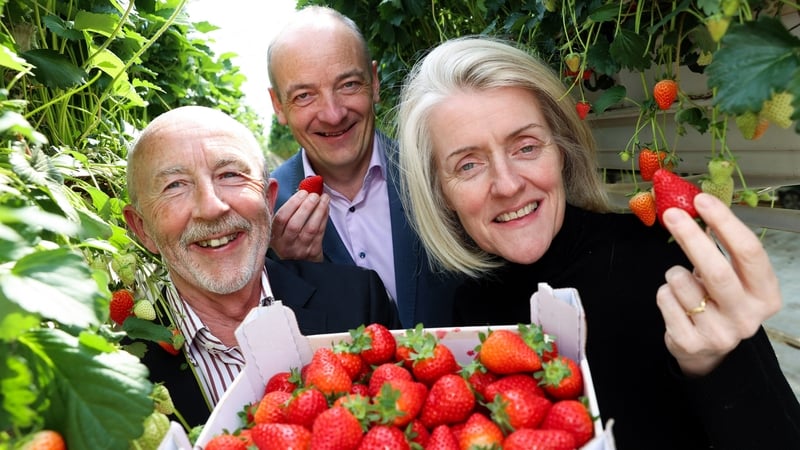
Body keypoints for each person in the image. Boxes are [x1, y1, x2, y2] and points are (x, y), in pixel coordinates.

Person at [396, 36, 800, 449]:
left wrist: (713, 365)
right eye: (468, 164)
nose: (508, 183)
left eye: (527, 146)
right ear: (440, 191)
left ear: (562, 151)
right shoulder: (470, 306)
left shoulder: (665, 260)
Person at [122, 105, 400, 427]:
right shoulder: (121, 374)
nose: (211, 207)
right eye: (175, 185)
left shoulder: (358, 300)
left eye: (230, 175)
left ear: (269, 202)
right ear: (142, 229)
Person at [266, 6, 461, 328]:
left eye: (348, 85)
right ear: (278, 105)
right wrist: (298, 273)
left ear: (374, 81)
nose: (332, 114)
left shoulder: (438, 172)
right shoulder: (266, 217)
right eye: (304, 95)